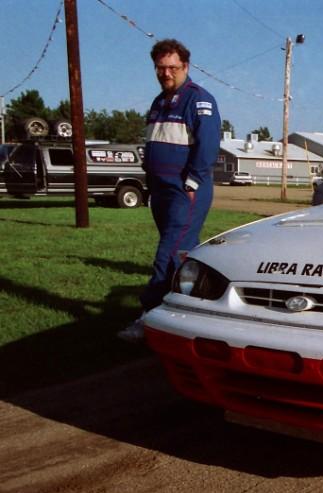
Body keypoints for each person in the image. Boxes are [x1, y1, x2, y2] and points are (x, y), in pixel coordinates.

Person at [118, 38, 221, 343]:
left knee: (168, 252)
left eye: (172, 68)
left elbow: (208, 146)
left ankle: (148, 317)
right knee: (183, 254)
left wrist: (191, 182)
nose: (166, 73)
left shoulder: (199, 100)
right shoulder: (158, 102)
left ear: (185, 67)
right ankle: (195, 309)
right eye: (160, 68)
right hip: (160, 191)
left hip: (185, 191)